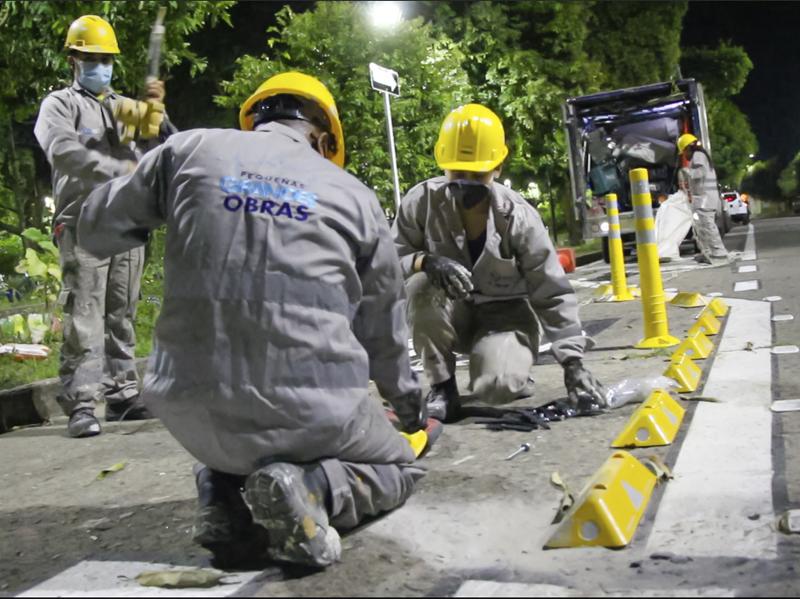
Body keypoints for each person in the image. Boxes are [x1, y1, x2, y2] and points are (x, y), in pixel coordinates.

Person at [74, 72, 432, 568]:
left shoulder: (188, 151)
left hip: (186, 409)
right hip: (312, 415)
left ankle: (223, 493)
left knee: (238, 437)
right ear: (324, 138)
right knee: (398, 468)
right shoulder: (354, 197)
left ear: (255, 118)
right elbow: (384, 331)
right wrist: (409, 406)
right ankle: (312, 490)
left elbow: (93, 229)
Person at [392, 103, 608, 422]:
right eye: (457, 173)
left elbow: (551, 290)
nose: (465, 183)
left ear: (498, 167)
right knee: (421, 284)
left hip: (506, 319)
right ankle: (442, 386)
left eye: (476, 174)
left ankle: (510, 366)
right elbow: (386, 261)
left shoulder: (519, 218)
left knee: (496, 388)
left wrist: (572, 362)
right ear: (443, 165)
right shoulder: (420, 203)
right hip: (452, 315)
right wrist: (424, 261)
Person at [34, 15, 170, 438]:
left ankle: (122, 394)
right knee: (85, 315)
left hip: (127, 223)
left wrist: (157, 115)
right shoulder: (60, 105)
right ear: (74, 59)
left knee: (121, 312)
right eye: (93, 59)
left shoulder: (123, 107)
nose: (103, 67)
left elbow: (164, 146)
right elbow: (64, 152)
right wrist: (117, 167)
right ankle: (81, 403)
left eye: (108, 60)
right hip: (84, 221)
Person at [676, 133, 730, 265]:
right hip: (705, 199)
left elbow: (699, 173)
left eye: (684, 152)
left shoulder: (698, 156)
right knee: (700, 228)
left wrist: (685, 171)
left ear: (688, 148)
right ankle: (708, 253)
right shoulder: (701, 156)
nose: (685, 156)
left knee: (707, 227)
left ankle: (719, 253)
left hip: (704, 200)